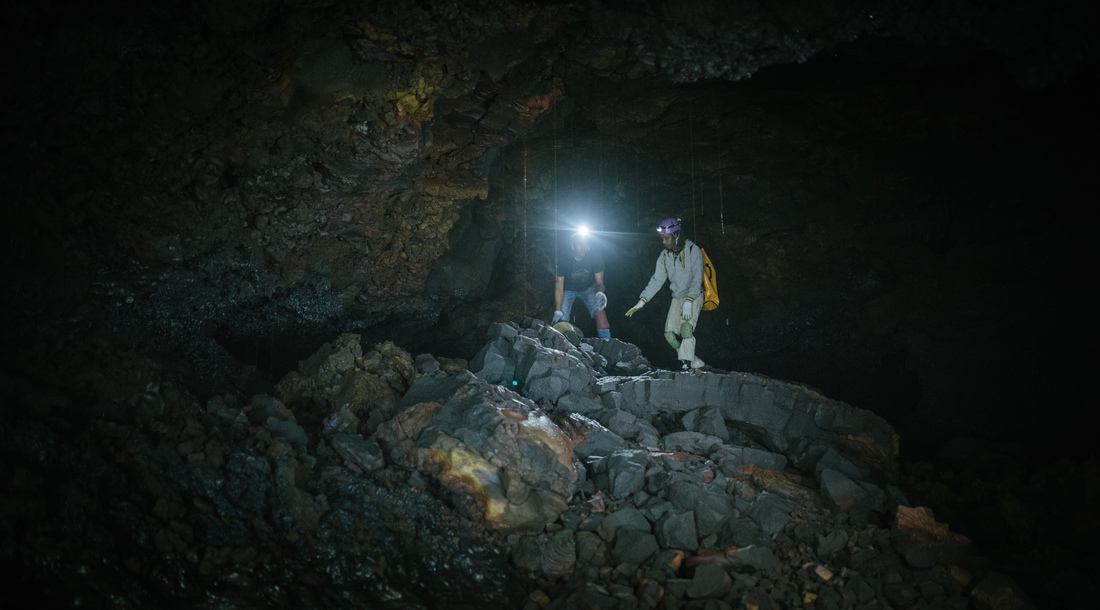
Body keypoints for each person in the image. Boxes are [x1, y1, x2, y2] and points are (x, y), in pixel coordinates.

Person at [625, 217, 705, 371]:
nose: (664, 242)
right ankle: (693, 359)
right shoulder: (664, 256)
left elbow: (697, 277)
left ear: (676, 235)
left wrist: (690, 300)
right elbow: (657, 280)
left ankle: (686, 365)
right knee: (669, 335)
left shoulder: (692, 250)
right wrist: (642, 301)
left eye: (666, 238)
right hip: (677, 297)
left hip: (693, 295)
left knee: (686, 329)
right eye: (662, 239)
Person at [552, 230, 612, 339]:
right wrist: (557, 309)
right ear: (573, 246)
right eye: (579, 244)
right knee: (562, 317)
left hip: (588, 288)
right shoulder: (563, 258)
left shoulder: (595, 257)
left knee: (600, 312)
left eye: (585, 244)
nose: (583, 247)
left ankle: (607, 341)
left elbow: (599, 282)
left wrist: (600, 293)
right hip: (568, 289)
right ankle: (560, 343)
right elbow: (559, 285)